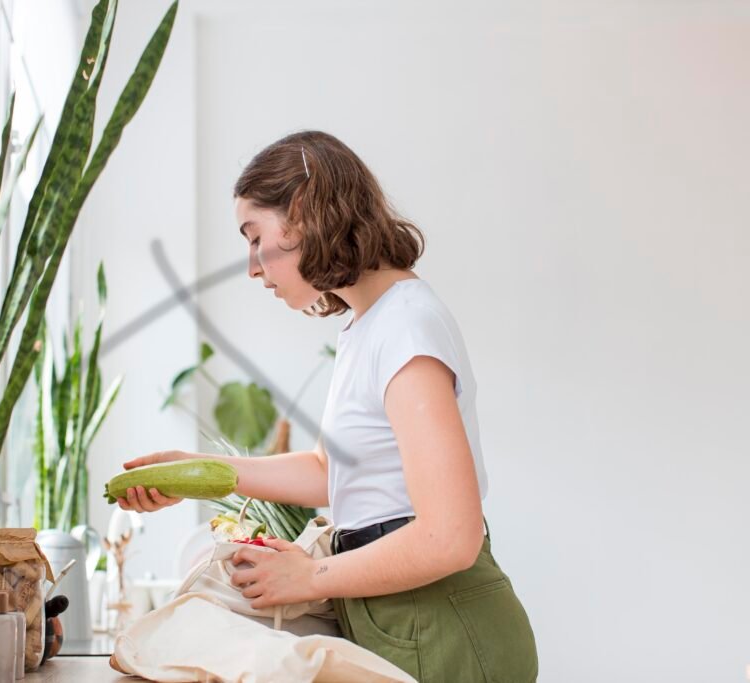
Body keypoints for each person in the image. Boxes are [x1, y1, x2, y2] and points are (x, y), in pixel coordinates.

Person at [114, 130, 538, 682]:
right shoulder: (368, 326)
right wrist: (193, 474)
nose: (252, 266)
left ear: (305, 218)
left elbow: (450, 536)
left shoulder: (407, 327)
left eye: (254, 235)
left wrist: (309, 578)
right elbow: (327, 471)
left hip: (441, 627)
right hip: (400, 616)